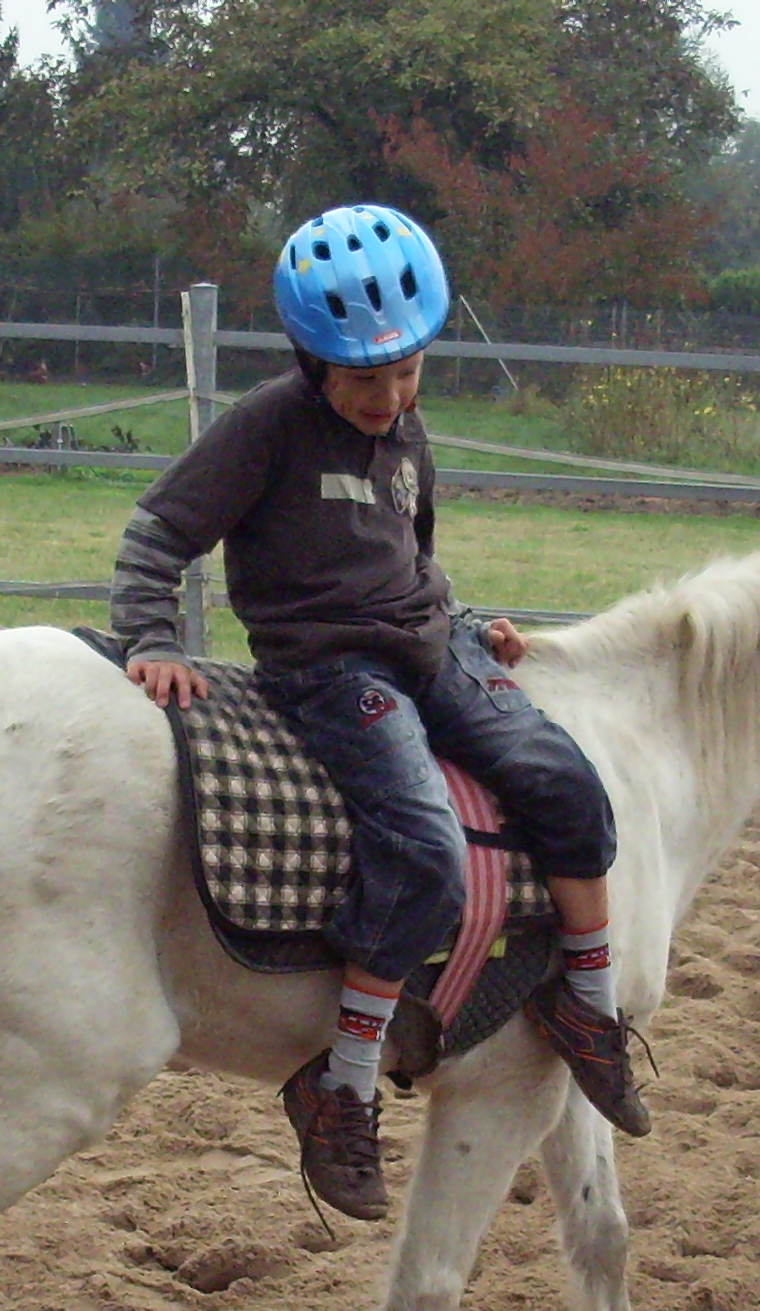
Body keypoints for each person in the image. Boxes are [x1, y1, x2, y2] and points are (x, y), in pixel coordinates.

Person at [111, 204, 648, 1223]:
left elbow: (412, 560)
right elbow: (156, 535)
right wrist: (152, 640)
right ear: (314, 364)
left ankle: (588, 1012)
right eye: (366, 379)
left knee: (570, 787)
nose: (390, 397)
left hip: (428, 647)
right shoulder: (267, 428)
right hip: (329, 670)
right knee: (424, 850)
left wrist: (470, 622)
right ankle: (342, 1085)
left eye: (406, 373)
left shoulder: (407, 430)